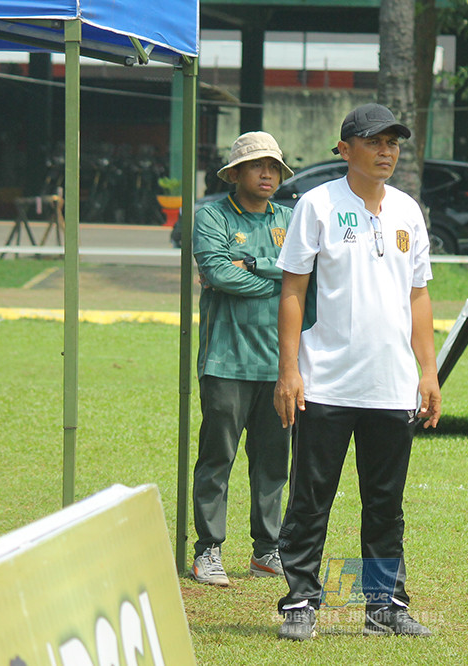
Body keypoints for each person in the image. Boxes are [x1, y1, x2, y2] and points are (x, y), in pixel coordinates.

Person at [272, 103, 442, 640]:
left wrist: (429, 371)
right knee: (309, 502)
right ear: (345, 149)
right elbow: (292, 289)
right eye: (374, 141)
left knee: (386, 505)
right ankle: (300, 602)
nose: (386, 152)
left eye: (393, 142)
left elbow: (418, 296)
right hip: (324, 382)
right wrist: (288, 370)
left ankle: (384, 606)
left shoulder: (408, 211)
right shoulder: (317, 205)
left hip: (391, 386)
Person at [190, 131, 295, 587]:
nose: (267, 174)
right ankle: (208, 550)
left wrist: (252, 265)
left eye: (273, 166)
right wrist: (280, 281)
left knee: (273, 463)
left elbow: (308, 275)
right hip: (225, 361)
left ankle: (267, 550)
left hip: (280, 364)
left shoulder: (291, 219)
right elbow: (217, 271)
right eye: (257, 165)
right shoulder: (211, 216)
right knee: (218, 457)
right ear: (235, 174)